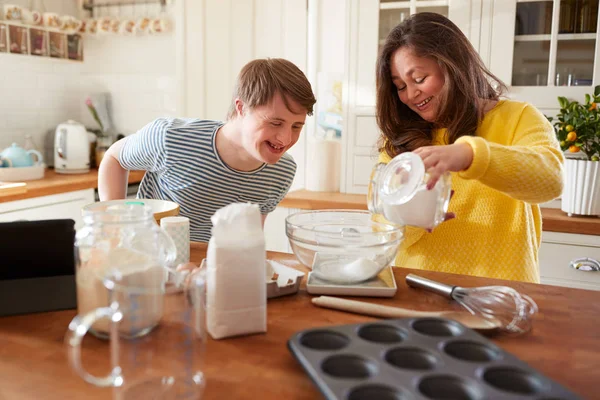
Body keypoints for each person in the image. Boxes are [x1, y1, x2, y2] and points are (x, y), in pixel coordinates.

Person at [375, 13, 564, 283]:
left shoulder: (517, 117)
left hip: (503, 293)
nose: (410, 94)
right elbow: (382, 230)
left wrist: (469, 156)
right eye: (400, 86)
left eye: (418, 79)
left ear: (453, 65)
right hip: (420, 290)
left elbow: (551, 181)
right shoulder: (400, 140)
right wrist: (410, 215)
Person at [98, 58, 316, 242]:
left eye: (296, 126)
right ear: (242, 108)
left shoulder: (281, 171)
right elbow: (114, 158)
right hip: (151, 263)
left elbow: (250, 238)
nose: (286, 138)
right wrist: (114, 230)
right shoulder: (170, 138)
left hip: (217, 274)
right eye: (275, 123)